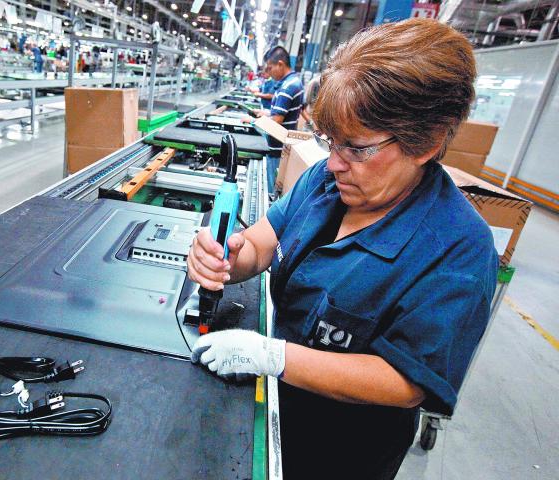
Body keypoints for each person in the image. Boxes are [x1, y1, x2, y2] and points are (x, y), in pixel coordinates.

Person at [188, 19, 498, 480]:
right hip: (271, 404)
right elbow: (261, 242)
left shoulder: (458, 250)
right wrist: (227, 260)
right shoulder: (326, 183)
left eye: (356, 148)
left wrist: (276, 357)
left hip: (342, 450)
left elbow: (406, 382)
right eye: (330, 141)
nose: (334, 162)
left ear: (427, 143)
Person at [251, 46, 304, 198]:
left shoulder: (287, 87)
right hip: (281, 146)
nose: (269, 72)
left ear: (280, 64)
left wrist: (253, 120)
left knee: (271, 190)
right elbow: (280, 114)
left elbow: (277, 121)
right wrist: (266, 113)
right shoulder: (294, 82)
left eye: (270, 68)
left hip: (277, 149)